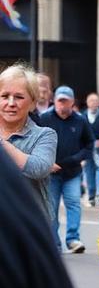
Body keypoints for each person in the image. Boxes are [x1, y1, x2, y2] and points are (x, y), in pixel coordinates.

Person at [0, 148, 96, 288]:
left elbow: (39, 167)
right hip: (45, 187)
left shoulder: (45, 135)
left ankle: (72, 238)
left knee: (71, 202)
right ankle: (60, 242)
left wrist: (70, 161)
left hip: (67, 172)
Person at [40, 85, 95, 254]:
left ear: (72, 102)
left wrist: (73, 160)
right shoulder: (44, 118)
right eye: (59, 101)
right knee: (52, 208)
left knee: (73, 204)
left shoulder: (80, 120)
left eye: (65, 101)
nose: (62, 104)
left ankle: (73, 240)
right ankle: (54, 243)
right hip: (51, 173)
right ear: (54, 101)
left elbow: (89, 145)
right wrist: (46, 162)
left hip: (72, 173)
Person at [0, 65, 59, 217]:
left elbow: (38, 168)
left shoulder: (44, 135)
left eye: (19, 97)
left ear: (33, 103)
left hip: (28, 224)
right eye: (5, 96)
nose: (11, 103)